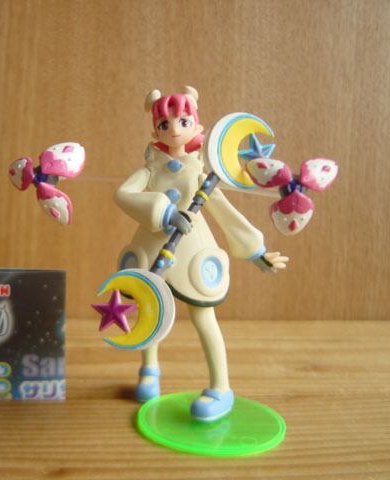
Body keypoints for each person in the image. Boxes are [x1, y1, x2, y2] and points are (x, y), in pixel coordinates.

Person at [115, 86, 288, 421]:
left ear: (196, 126)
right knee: (151, 307)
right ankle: (149, 370)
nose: (174, 129)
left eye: (183, 121)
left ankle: (221, 387)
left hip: (192, 252)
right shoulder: (150, 169)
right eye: (164, 124)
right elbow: (122, 194)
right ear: (155, 131)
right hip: (153, 247)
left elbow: (224, 211)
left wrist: (256, 250)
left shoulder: (200, 172)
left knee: (203, 316)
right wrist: (162, 212)